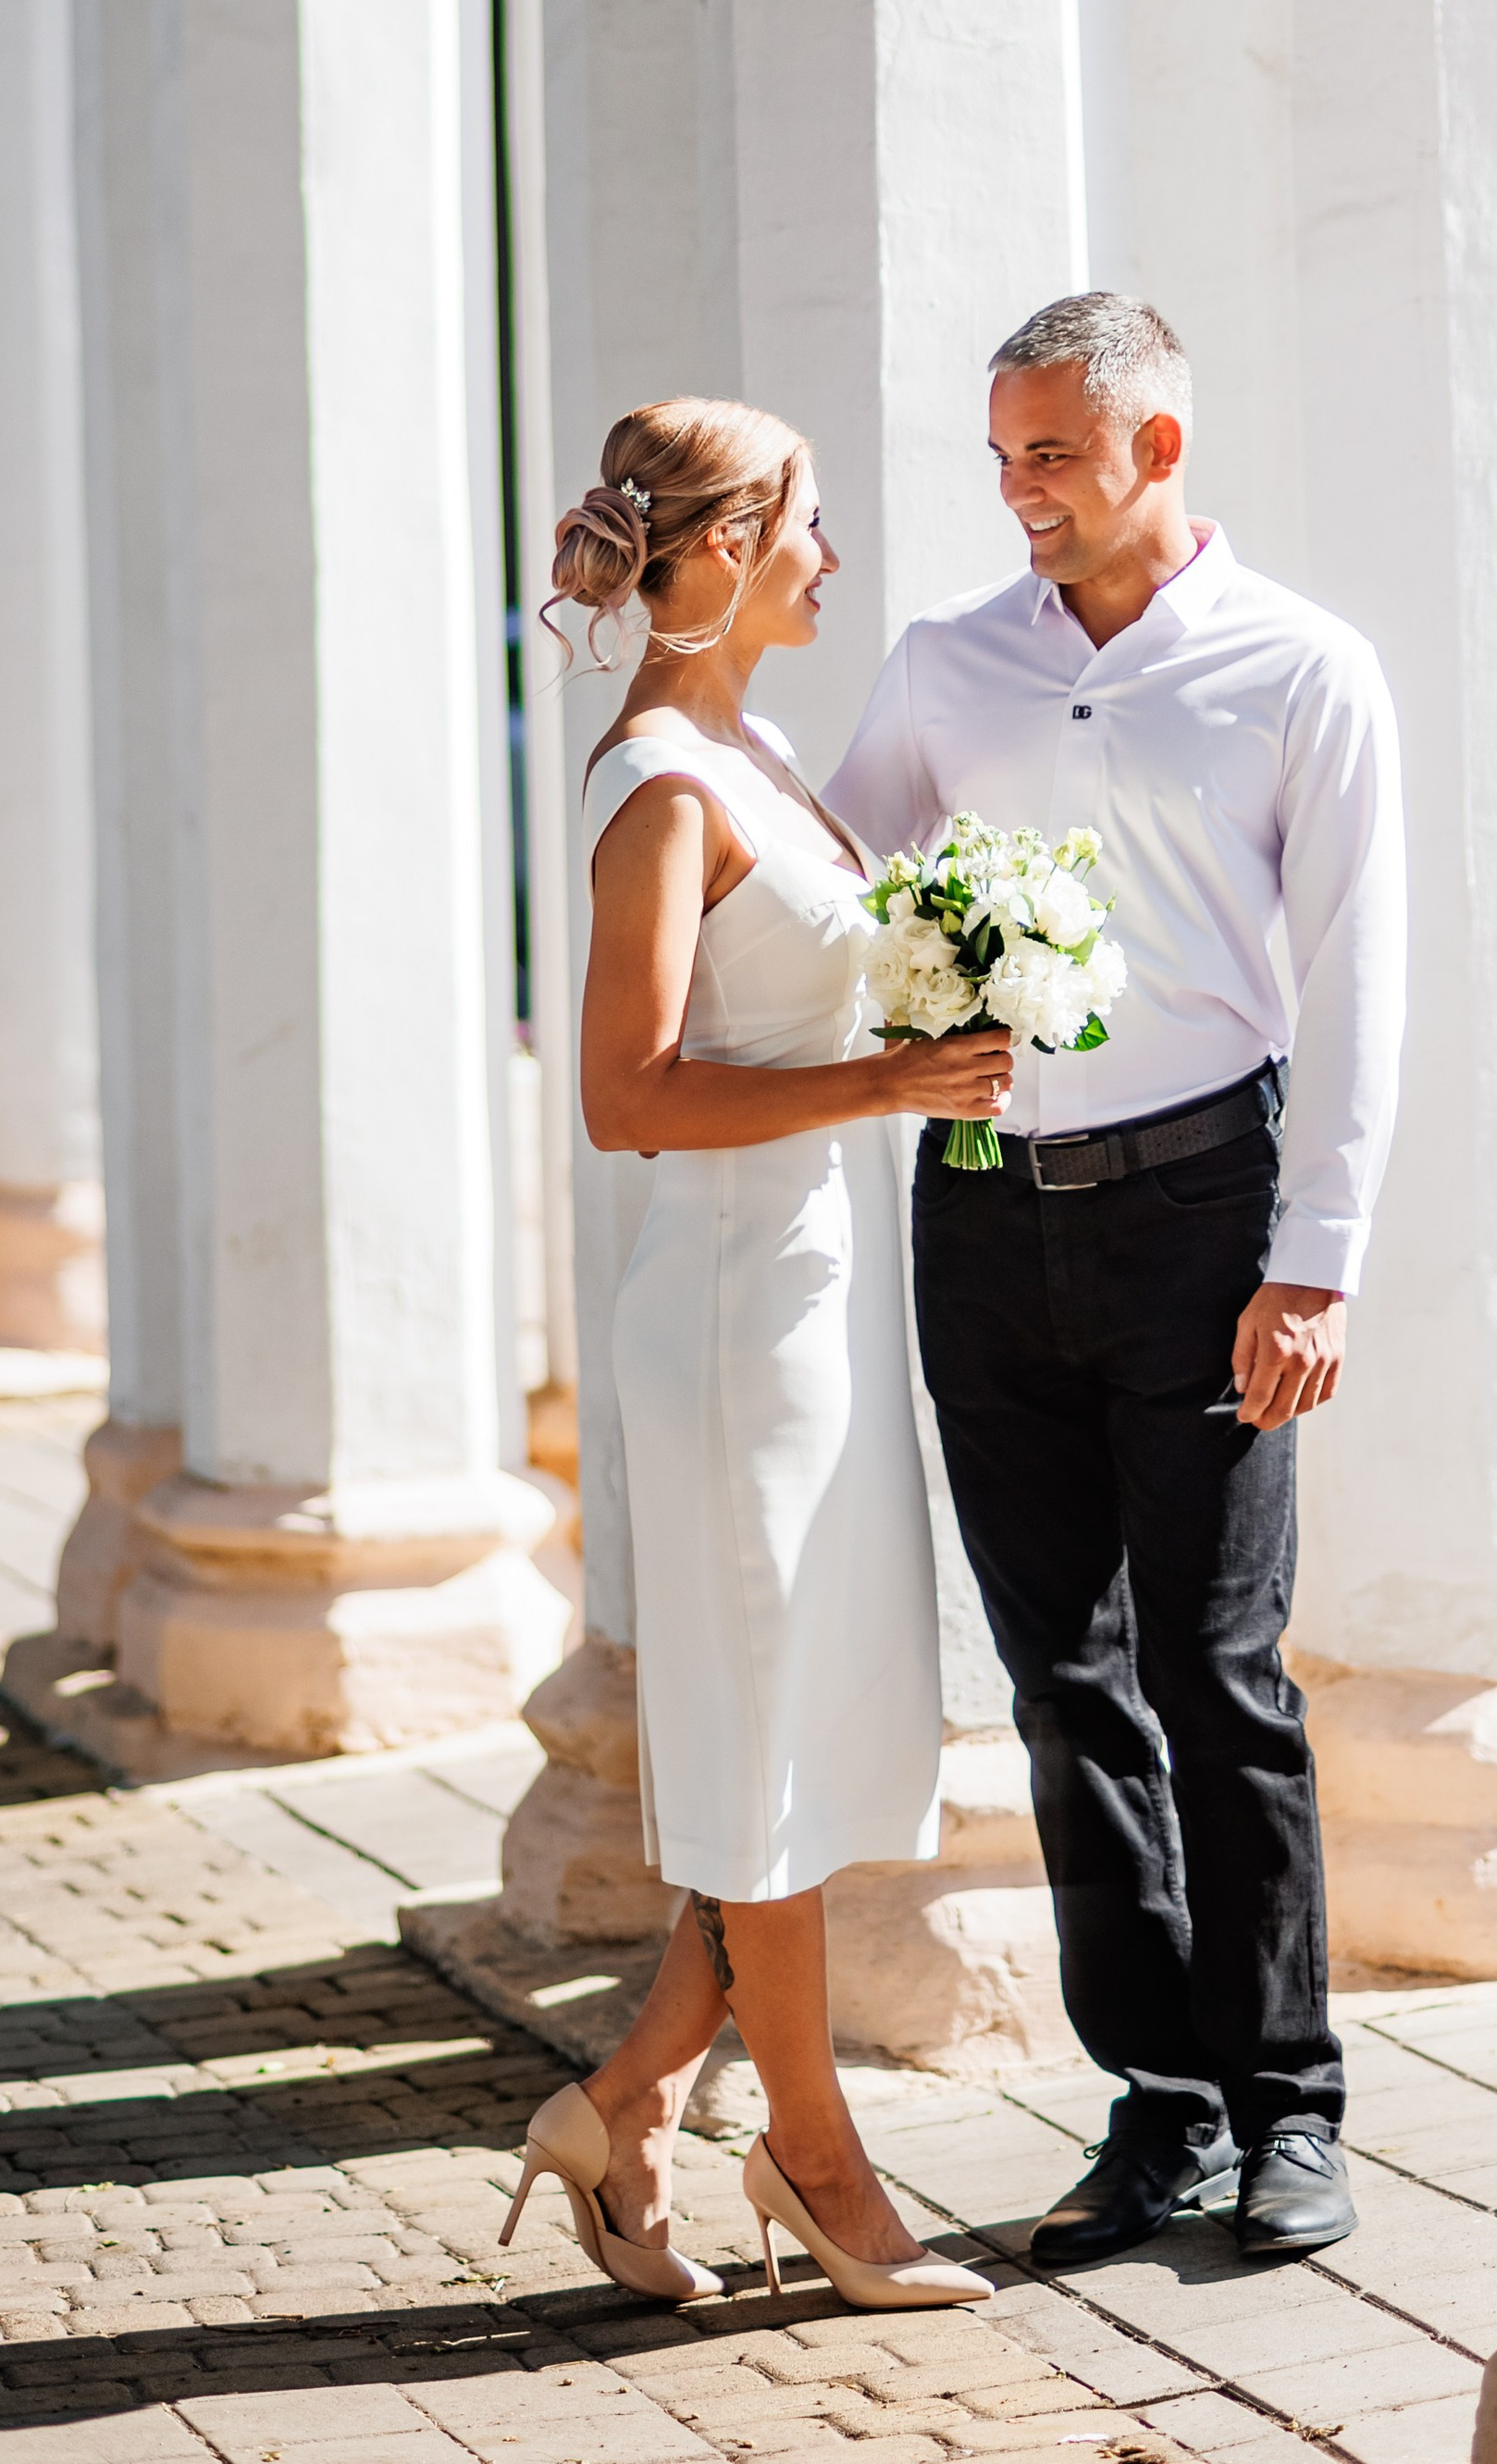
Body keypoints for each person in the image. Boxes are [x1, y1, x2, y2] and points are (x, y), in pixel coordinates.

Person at [828, 294, 1406, 2267]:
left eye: (1049, 456)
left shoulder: (1297, 670)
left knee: (1214, 1672)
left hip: (1200, 1218)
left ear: (1157, 448)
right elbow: (830, 882)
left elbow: (1355, 978)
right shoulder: (944, 665)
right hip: (978, 1204)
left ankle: (1288, 2107)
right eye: (999, 456)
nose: (1016, 494)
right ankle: (1156, 2109)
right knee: (1061, 1686)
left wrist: (1312, 1265)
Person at [502, 398, 1010, 2310]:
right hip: (732, 1327)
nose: (828, 559)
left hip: (821, 1299)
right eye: (806, 528)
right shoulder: (658, 787)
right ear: (715, 557)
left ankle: (624, 2102)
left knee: (799, 1729)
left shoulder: (757, 749)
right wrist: (893, 1076)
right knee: (767, 1747)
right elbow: (622, 1096)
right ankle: (810, 2165)